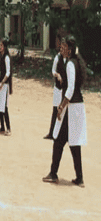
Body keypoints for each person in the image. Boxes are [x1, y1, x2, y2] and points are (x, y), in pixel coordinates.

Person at [42, 35, 86, 187]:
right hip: (77, 106)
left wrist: (61, 107)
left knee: (59, 140)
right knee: (73, 143)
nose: (62, 48)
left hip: (70, 107)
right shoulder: (76, 62)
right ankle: (79, 178)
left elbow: (70, 89)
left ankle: (53, 173)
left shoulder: (70, 65)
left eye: (64, 46)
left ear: (70, 49)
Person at [44, 34, 65, 140]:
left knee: (63, 111)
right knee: (55, 110)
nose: (61, 48)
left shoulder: (69, 60)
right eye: (61, 46)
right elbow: (53, 71)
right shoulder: (57, 57)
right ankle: (51, 133)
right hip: (58, 88)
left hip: (65, 89)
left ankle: (61, 134)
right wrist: (57, 75)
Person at [0, 38, 12, 135]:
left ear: (5, 46)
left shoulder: (7, 58)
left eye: (1, 45)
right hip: (1, 84)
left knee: (4, 106)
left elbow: (8, 73)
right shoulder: (1, 57)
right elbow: (1, 71)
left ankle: (8, 128)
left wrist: (2, 83)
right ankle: (2, 127)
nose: (0, 47)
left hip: (5, 85)